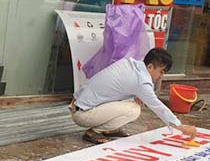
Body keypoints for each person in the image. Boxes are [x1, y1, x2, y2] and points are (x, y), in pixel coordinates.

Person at [69, 48, 197, 144]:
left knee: (133, 102)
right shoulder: (141, 81)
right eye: (161, 72)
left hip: (78, 104)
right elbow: (158, 107)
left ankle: (109, 130)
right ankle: (92, 133)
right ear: (150, 67)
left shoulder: (130, 63)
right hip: (83, 114)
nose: (161, 76)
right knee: (134, 109)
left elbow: (118, 89)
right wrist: (181, 127)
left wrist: (135, 94)